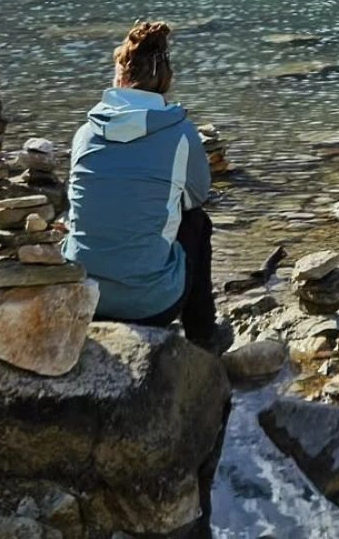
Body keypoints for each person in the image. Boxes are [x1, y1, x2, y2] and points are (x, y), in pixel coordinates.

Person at [62, 21, 222, 350]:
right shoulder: (180, 132)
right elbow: (197, 196)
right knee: (196, 221)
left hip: (81, 295)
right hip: (150, 308)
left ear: (118, 75)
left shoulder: (85, 134)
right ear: (165, 78)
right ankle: (204, 337)